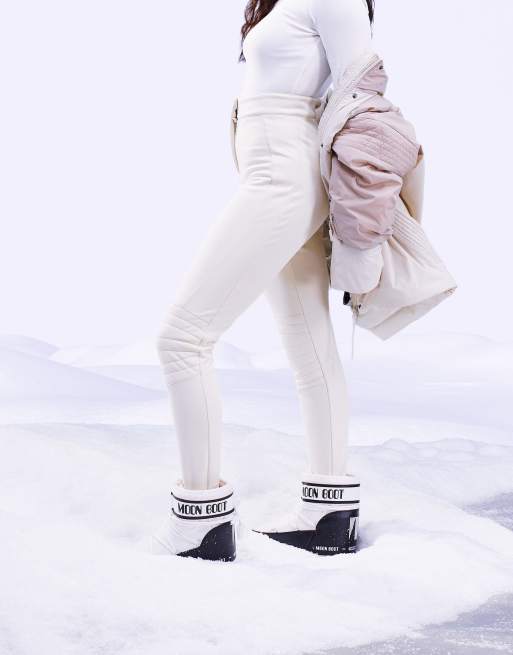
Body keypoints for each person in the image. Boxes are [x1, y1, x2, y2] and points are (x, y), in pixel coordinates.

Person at [151, 0, 374, 561]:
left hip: (284, 177)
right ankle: (328, 512)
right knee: (309, 345)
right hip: (275, 170)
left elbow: (364, 102)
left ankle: (200, 522)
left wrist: (362, 227)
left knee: (183, 339)